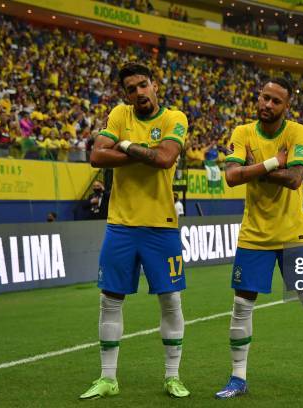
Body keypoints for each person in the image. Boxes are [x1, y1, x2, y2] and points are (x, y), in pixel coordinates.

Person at [215, 78, 303, 400]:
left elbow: (295, 179)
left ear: (286, 106)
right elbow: (229, 177)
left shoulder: (297, 131)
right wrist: (273, 163)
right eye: (264, 98)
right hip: (253, 236)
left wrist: (250, 170)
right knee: (241, 308)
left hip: (293, 235)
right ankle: (238, 378)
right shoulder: (243, 133)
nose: (267, 105)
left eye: (275, 101)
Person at [80, 63, 190, 400]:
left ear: (155, 85)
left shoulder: (175, 118)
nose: (139, 93)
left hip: (162, 226)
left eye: (143, 85)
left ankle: (172, 376)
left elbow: (165, 159)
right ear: (125, 94)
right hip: (121, 225)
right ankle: (108, 378)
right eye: (131, 89)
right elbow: (96, 156)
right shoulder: (118, 114)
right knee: (110, 300)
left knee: (170, 301)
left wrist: (124, 146)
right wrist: (140, 150)